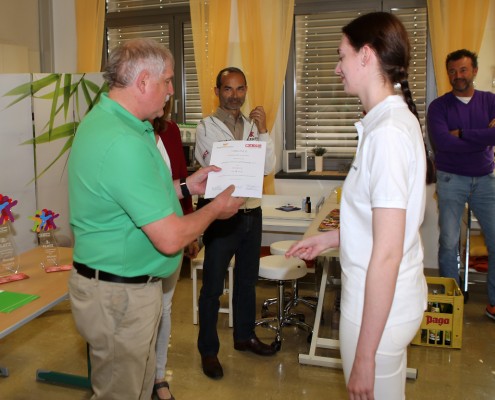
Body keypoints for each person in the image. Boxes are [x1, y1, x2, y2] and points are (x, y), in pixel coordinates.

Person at [67, 38, 244, 400]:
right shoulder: (122, 140)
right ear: (144, 81)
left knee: (138, 387)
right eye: (167, 80)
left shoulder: (114, 123)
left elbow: (133, 197)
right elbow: (170, 237)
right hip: (120, 296)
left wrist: (187, 186)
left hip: (122, 289)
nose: (171, 90)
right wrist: (215, 209)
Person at [286, 12, 428, 399]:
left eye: (341, 55)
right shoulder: (387, 122)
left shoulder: (387, 134)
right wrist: (330, 238)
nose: (337, 68)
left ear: (366, 55)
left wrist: (365, 355)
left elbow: (387, 253)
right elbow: (379, 224)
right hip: (389, 302)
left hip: (377, 307)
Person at [194, 67, 277, 379]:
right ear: (217, 91)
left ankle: (244, 336)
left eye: (240, 88)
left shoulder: (254, 126)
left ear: (246, 90)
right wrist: (247, 159)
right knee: (213, 287)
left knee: (246, 281)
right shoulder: (207, 126)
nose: (235, 95)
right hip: (220, 215)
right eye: (228, 89)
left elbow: (267, 166)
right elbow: (216, 165)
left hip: (251, 213)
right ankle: (209, 351)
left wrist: (264, 131)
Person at [427, 49, 495, 319]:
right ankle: (449, 299)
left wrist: (464, 134)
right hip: (450, 179)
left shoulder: (490, 101)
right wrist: (484, 137)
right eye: (453, 71)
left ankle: (494, 303)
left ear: (474, 71)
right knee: (448, 241)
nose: (458, 76)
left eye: (463, 70)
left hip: (486, 180)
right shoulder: (438, 107)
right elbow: (443, 143)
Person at [152, 99, 200, 400]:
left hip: (172, 230)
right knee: (144, 311)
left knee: (165, 307)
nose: (167, 95)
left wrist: (189, 232)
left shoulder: (170, 131)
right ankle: (142, 376)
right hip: (140, 235)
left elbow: (182, 181)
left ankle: (159, 377)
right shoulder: (130, 133)